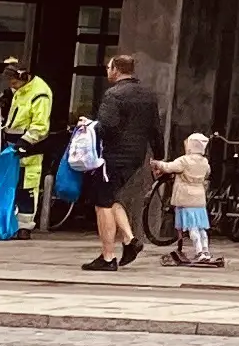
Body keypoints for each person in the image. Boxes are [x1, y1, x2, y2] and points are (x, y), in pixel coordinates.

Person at [86, 54, 162, 272]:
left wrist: (91, 125)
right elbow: (155, 128)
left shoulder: (114, 95)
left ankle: (107, 257)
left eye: (108, 67)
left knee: (102, 203)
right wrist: (158, 157)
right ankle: (130, 241)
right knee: (112, 197)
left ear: (116, 69)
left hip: (113, 156)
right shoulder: (147, 94)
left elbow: (107, 127)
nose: (107, 71)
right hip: (136, 156)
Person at [0, 59, 54, 238]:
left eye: (14, 82)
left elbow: (40, 125)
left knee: (27, 187)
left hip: (30, 147)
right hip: (13, 145)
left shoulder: (40, 93)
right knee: (7, 184)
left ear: (24, 77)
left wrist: (25, 142)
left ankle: (25, 227)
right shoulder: (22, 90)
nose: (12, 85)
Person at [162, 130, 223, 268]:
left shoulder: (184, 160)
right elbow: (207, 173)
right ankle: (206, 251)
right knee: (202, 228)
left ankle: (199, 252)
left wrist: (157, 164)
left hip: (186, 200)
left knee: (192, 227)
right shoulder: (205, 162)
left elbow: (169, 167)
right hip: (199, 201)